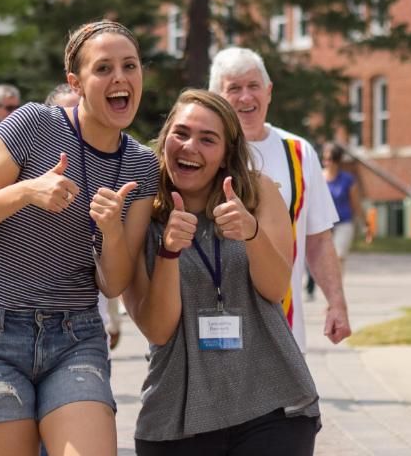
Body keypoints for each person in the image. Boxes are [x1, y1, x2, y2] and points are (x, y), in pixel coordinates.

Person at [0, 20, 160, 456]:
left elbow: (114, 283)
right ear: (75, 83)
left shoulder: (140, 165)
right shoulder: (33, 125)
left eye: (129, 66)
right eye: (103, 69)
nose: (119, 78)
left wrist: (111, 231)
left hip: (73, 336)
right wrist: (26, 191)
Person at [125, 89, 320, 454]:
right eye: (180, 133)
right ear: (165, 138)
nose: (190, 147)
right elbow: (157, 328)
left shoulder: (258, 193)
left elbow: (276, 288)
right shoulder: (142, 212)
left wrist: (251, 233)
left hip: (272, 404)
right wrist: (169, 253)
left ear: (226, 154)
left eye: (207, 139)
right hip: (178, 415)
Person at [209, 47, 350, 352]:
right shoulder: (203, 153)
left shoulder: (299, 153)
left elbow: (319, 239)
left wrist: (336, 303)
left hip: (283, 329)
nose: (246, 98)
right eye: (234, 88)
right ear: (216, 96)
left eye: (253, 86)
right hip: (215, 335)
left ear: (269, 91)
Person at [45, 84, 122, 349]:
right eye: (67, 114)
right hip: (24, 320)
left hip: (86, 327)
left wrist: (114, 321)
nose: (76, 123)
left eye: (82, 112)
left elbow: (115, 274)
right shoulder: (28, 166)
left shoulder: (118, 169)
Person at [322, 142, 371, 269]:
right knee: (324, 259)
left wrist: (365, 224)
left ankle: (337, 287)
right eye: (325, 159)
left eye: (330, 159)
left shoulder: (347, 180)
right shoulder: (319, 178)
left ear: (337, 161)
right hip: (325, 226)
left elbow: (356, 204)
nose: (326, 162)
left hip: (344, 223)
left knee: (339, 256)